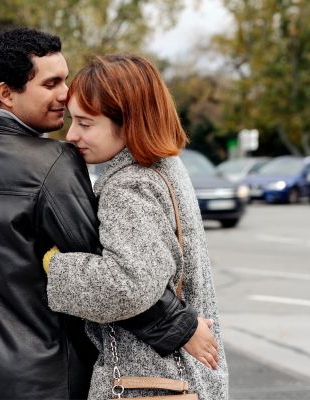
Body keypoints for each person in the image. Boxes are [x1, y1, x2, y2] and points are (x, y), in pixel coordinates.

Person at [0, 28, 215, 399]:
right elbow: (110, 271)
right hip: (54, 381)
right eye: (51, 83)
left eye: (64, 79)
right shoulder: (50, 164)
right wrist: (180, 327)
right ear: (7, 94)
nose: (65, 93)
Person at [44, 54, 228, 399]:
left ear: (129, 122)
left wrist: (53, 265)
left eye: (85, 123)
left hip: (146, 383)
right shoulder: (166, 168)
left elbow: (127, 286)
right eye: (72, 120)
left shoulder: (130, 185)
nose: (71, 134)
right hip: (185, 378)